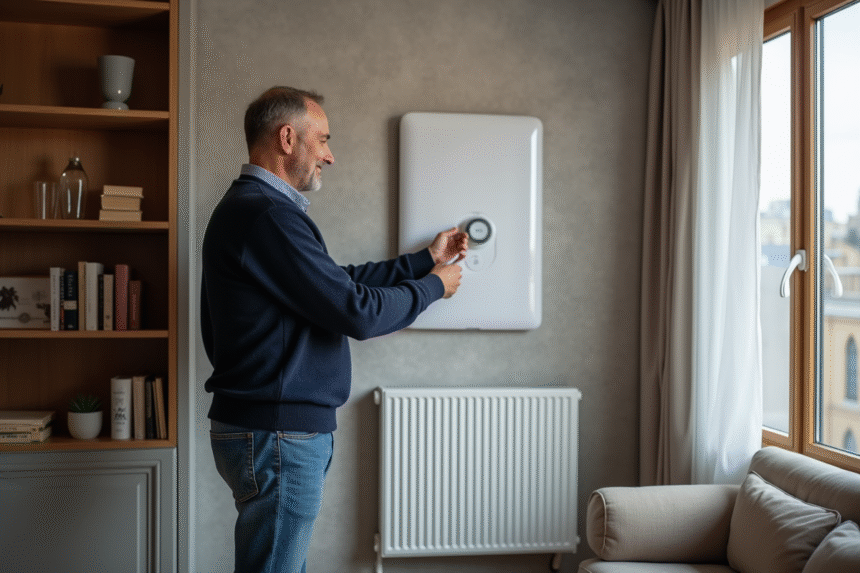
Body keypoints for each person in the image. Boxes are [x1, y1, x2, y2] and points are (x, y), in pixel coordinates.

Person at [200, 86, 468, 573]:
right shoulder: (267, 216)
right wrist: (434, 287)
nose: (330, 154)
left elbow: (336, 284)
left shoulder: (258, 212)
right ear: (287, 137)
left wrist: (424, 261)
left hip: (271, 428)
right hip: (278, 431)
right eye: (321, 139)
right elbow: (356, 311)